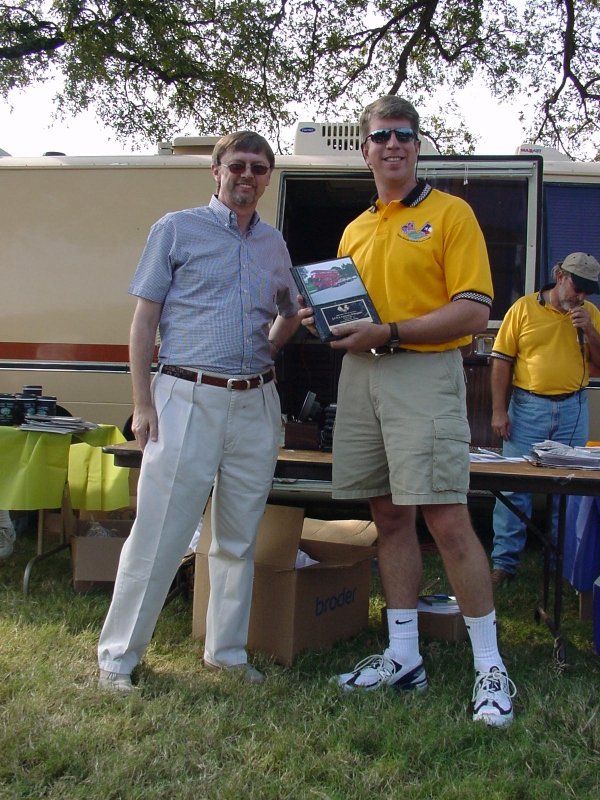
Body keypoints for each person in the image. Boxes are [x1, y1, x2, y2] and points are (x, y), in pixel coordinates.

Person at [299, 95, 516, 727]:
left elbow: (474, 311)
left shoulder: (452, 213)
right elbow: (353, 313)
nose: (393, 145)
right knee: (388, 515)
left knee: (447, 518)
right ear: (364, 149)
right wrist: (326, 319)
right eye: (380, 136)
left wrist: (388, 332)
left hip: (422, 372)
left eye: (404, 135)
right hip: (361, 374)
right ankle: (403, 657)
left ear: (417, 146)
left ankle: (489, 667)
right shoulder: (356, 228)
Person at [97, 131, 300, 693]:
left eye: (260, 169)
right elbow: (143, 324)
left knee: (238, 536)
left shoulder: (274, 246)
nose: (248, 176)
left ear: (267, 178)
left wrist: (275, 340)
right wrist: (142, 405)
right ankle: (118, 657)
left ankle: (227, 652)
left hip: (257, 401)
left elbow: (288, 312)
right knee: (160, 531)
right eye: (238, 165)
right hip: (185, 396)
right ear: (215, 170)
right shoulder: (176, 229)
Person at [490, 252, 600, 587]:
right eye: (575, 286)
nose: (578, 296)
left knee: (567, 488)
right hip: (527, 407)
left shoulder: (590, 315)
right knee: (514, 487)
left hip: (572, 408)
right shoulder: (523, 308)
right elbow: (502, 361)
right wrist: (498, 410)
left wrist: (591, 333)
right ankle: (504, 565)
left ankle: (561, 565)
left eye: (586, 291)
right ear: (558, 275)